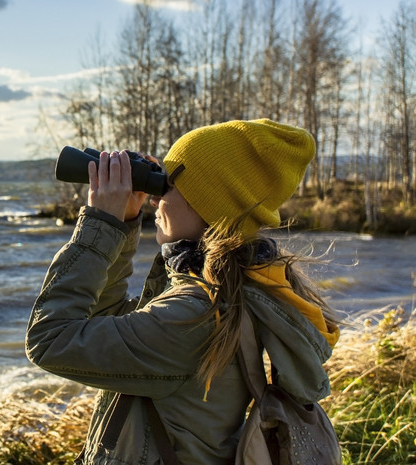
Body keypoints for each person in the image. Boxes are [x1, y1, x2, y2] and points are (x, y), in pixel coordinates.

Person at [25, 119, 341, 464]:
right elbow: (104, 321)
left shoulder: (194, 315)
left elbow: (50, 340)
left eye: (170, 183)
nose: (157, 197)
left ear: (208, 203)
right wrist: (126, 224)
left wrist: (102, 224)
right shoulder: (228, 290)